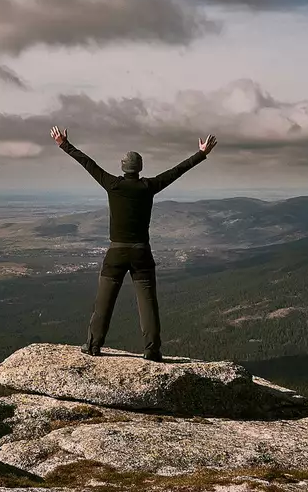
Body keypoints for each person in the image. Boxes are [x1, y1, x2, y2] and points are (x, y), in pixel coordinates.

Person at [50, 125, 217, 362]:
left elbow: (88, 164)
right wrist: (201, 154)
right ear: (140, 168)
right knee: (148, 303)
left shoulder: (113, 185)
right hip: (142, 254)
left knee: (104, 302)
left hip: (116, 252)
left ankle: (93, 345)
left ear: (122, 167)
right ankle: (152, 350)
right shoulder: (148, 187)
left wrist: (63, 144)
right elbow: (176, 171)